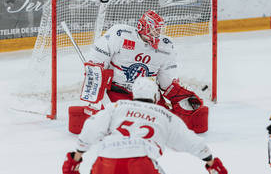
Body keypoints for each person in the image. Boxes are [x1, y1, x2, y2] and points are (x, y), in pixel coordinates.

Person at [62, 77, 228, 174]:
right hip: (141, 166)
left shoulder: (117, 106)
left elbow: (92, 128)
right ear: (155, 96)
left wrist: (76, 157)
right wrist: (211, 162)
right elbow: (189, 140)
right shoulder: (164, 114)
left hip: (107, 162)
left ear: (134, 95)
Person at [68, 10, 208, 135]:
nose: (158, 33)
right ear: (143, 27)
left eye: (159, 30)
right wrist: (97, 86)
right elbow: (97, 60)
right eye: (154, 30)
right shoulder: (120, 34)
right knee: (121, 122)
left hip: (149, 95)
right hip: (119, 91)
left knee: (164, 123)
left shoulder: (166, 46)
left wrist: (179, 96)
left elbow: (166, 80)